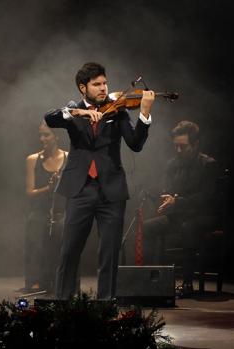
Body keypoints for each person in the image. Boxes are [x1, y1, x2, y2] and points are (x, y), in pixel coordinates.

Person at [44, 62, 155, 300]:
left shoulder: (118, 110)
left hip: (111, 191)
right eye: (97, 84)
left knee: (109, 252)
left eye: (105, 83)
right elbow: (50, 118)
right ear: (83, 88)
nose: (103, 88)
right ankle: (63, 302)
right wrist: (81, 112)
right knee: (69, 250)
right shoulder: (72, 110)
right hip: (79, 189)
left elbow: (135, 144)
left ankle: (106, 305)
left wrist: (144, 113)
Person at [142, 120, 220, 297]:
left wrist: (178, 202)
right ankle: (149, 279)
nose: (178, 151)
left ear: (195, 144)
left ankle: (187, 283)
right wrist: (164, 197)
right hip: (179, 215)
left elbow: (206, 197)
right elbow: (167, 189)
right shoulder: (173, 164)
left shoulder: (207, 164)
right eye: (176, 146)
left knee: (188, 228)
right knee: (146, 227)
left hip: (202, 216)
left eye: (183, 147)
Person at [21, 122, 68, 293]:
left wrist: (60, 185)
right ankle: (35, 280)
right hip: (40, 210)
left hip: (61, 211)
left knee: (64, 228)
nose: (42, 139)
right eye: (40, 135)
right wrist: (49, 187)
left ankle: (60, 278)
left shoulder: (69, 158)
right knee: (35, 223)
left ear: (56, 136)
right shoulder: (33, 160)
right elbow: (29, 192)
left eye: (46, 135)